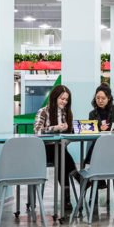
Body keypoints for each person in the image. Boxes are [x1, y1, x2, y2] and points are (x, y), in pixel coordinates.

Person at [33, 84, 81, 213]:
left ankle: (67, 199)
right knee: (60, 153)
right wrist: (54, 128)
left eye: (66, 100)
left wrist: (67, 138)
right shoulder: (43, 111)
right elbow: (36, 131)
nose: (64, 102)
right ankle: (78, 179)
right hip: (44, 151)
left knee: (61, 155)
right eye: (62, 98)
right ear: (54, 97)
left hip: (59, 150)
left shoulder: (67, 113)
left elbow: (69, 135)